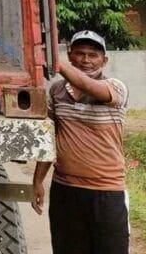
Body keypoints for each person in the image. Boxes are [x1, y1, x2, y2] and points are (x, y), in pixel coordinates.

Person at [32, 29, 129, 254]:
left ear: (104, 60)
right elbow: (50, 138)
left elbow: (88, 86)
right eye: (79, 53)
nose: (85, 60)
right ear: (70, 56)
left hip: (106, 191)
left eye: (93, 55)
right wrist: (37, 181)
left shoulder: (115, 87)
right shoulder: (57, 91)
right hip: (65, 190)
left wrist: (52, 59)